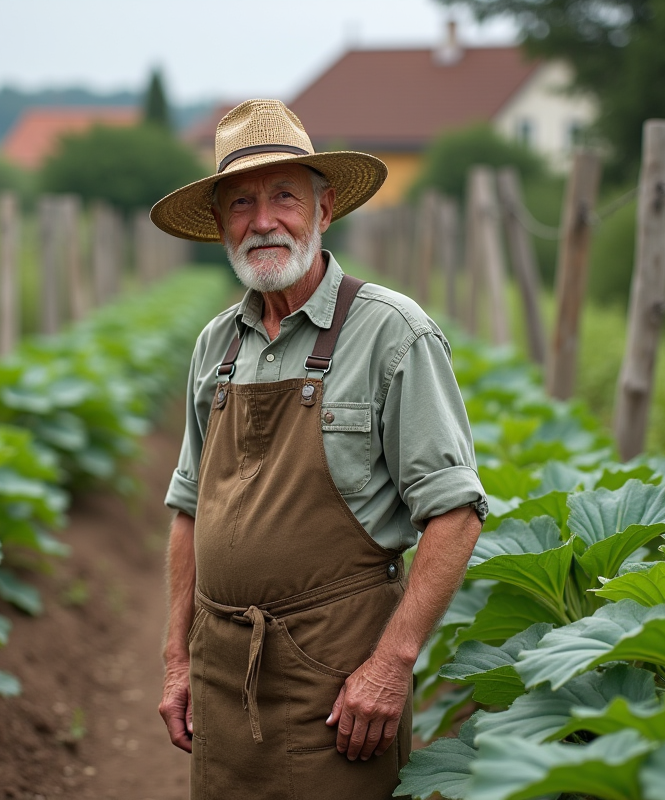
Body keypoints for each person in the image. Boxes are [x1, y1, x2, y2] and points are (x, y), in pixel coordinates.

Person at [151, 98, 488, 799]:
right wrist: (176, 660)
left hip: (339, 685)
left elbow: (455, 514)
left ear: (324, 209)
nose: (263, 220)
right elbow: (188, 512)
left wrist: (391, 665)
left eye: (283, 196)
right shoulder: (216, 345)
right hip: (222, 678)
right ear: (218, 226)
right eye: (240, 203)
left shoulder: (393, 333)